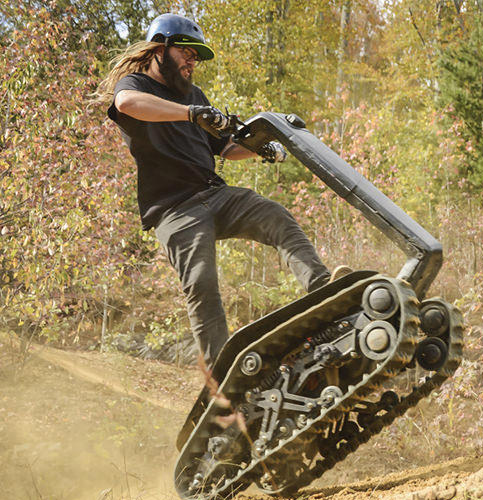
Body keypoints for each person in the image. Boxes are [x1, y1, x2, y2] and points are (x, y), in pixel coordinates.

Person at [96, 13, 337, 368]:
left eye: (196, 56)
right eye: (186, 52)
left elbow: (225, 148)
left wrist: (259, 148)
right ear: (161, 47)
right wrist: (191, 113)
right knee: (202, 284)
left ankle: (326, 294)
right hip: (174, 211)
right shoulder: (136, 86)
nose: (192, 61)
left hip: (215, 195)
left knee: (275, 215)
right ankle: (223, 377)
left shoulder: (195, 96)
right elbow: (127, 105)